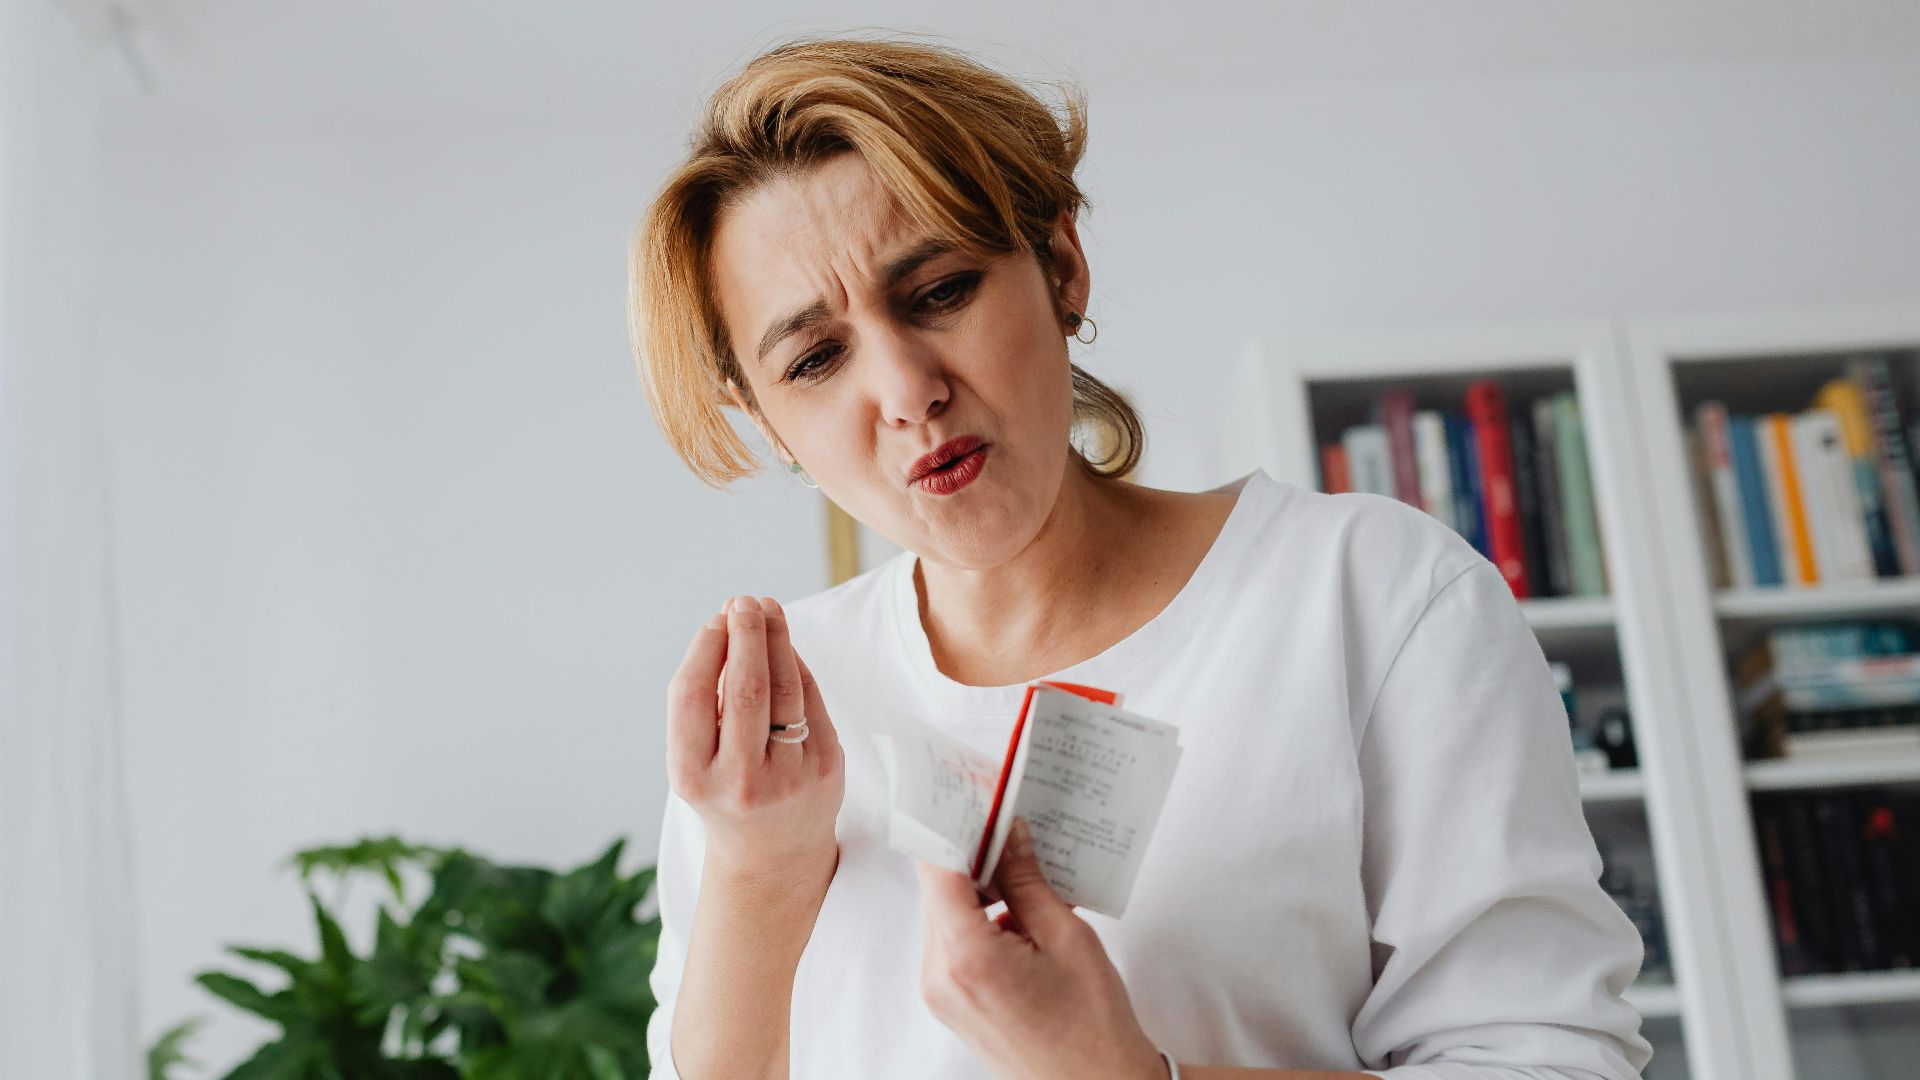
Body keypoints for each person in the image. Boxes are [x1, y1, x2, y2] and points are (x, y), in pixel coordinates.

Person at [628, 34, 1654, 1080]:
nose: (905, 392)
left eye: (938, 291)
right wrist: (759, 873)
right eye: (813, 359)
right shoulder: (774, 719)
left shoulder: (1368, 598)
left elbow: (1554, 1063)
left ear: (1062, 267)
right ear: (766, 425)